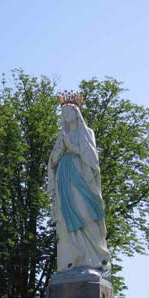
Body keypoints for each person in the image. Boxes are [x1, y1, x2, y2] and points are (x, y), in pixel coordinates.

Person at [48, 94, 110, 272]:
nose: (66, 116)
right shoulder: (62, 135)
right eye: (63, 113)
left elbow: (91, 158)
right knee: (68, 218)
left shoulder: (86, 132)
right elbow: (52, 161)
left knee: (87, 213)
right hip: (64, 175)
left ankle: (95, 257)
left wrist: (71, 146)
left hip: (81, 175)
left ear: (77, 113)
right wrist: (60, 150)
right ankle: (74, 258)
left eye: (69, 112)